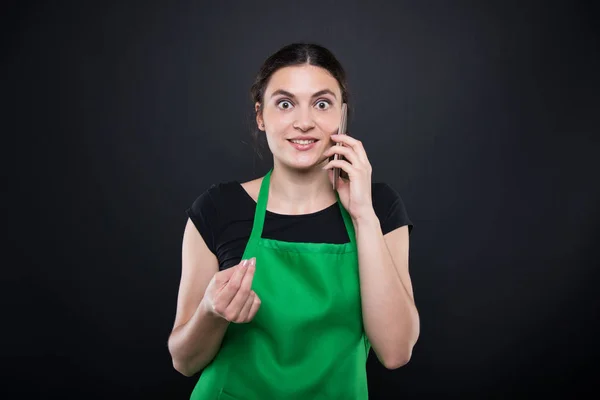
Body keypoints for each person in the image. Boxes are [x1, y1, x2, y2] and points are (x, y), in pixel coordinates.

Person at [168, 43, 420, 400]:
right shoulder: (217, 208)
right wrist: (212, 312)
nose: (304, 122)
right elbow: (183, 360)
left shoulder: (378, 207)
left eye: (322, 104)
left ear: (342, 115)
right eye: (285, 104)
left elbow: (396, 352)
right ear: (260, 115)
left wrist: (363, 215)